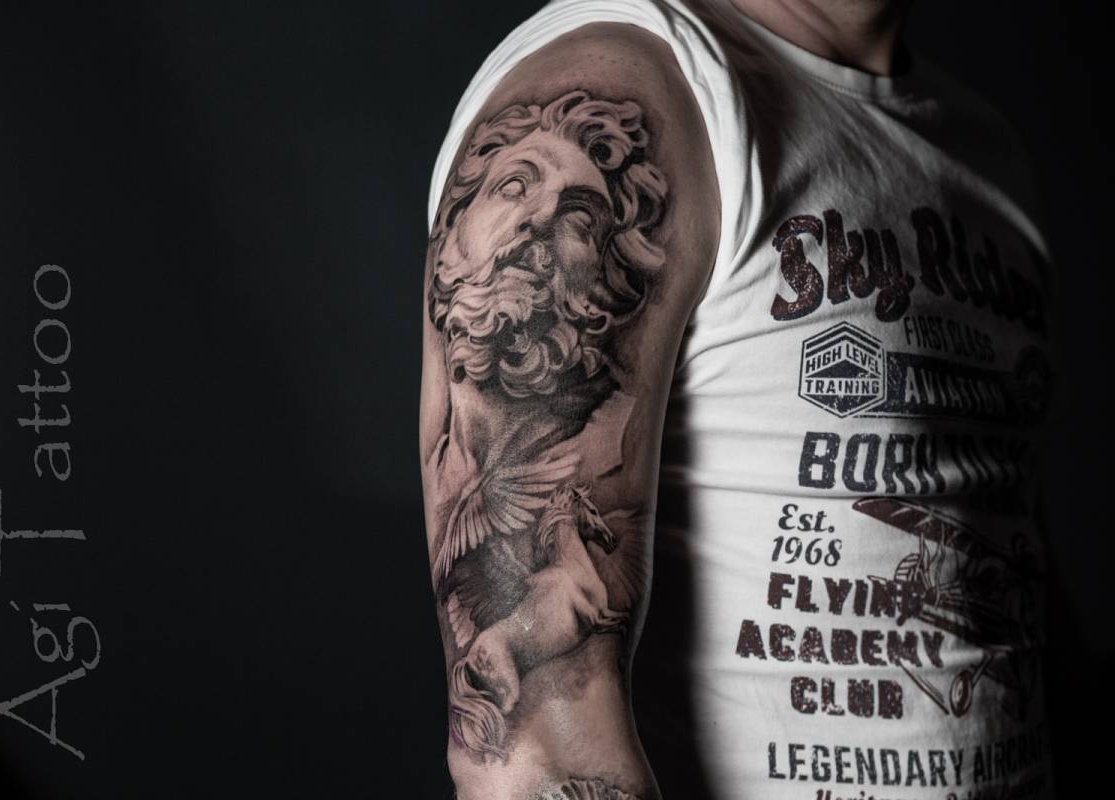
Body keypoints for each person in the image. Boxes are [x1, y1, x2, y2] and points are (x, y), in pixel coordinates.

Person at [418, 0, 1055, 797]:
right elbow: (531, 758)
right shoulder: (646, 80)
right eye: (528, 195)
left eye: (575, 219)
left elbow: (1001, 536)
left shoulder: (986, 150)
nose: (536, 220)